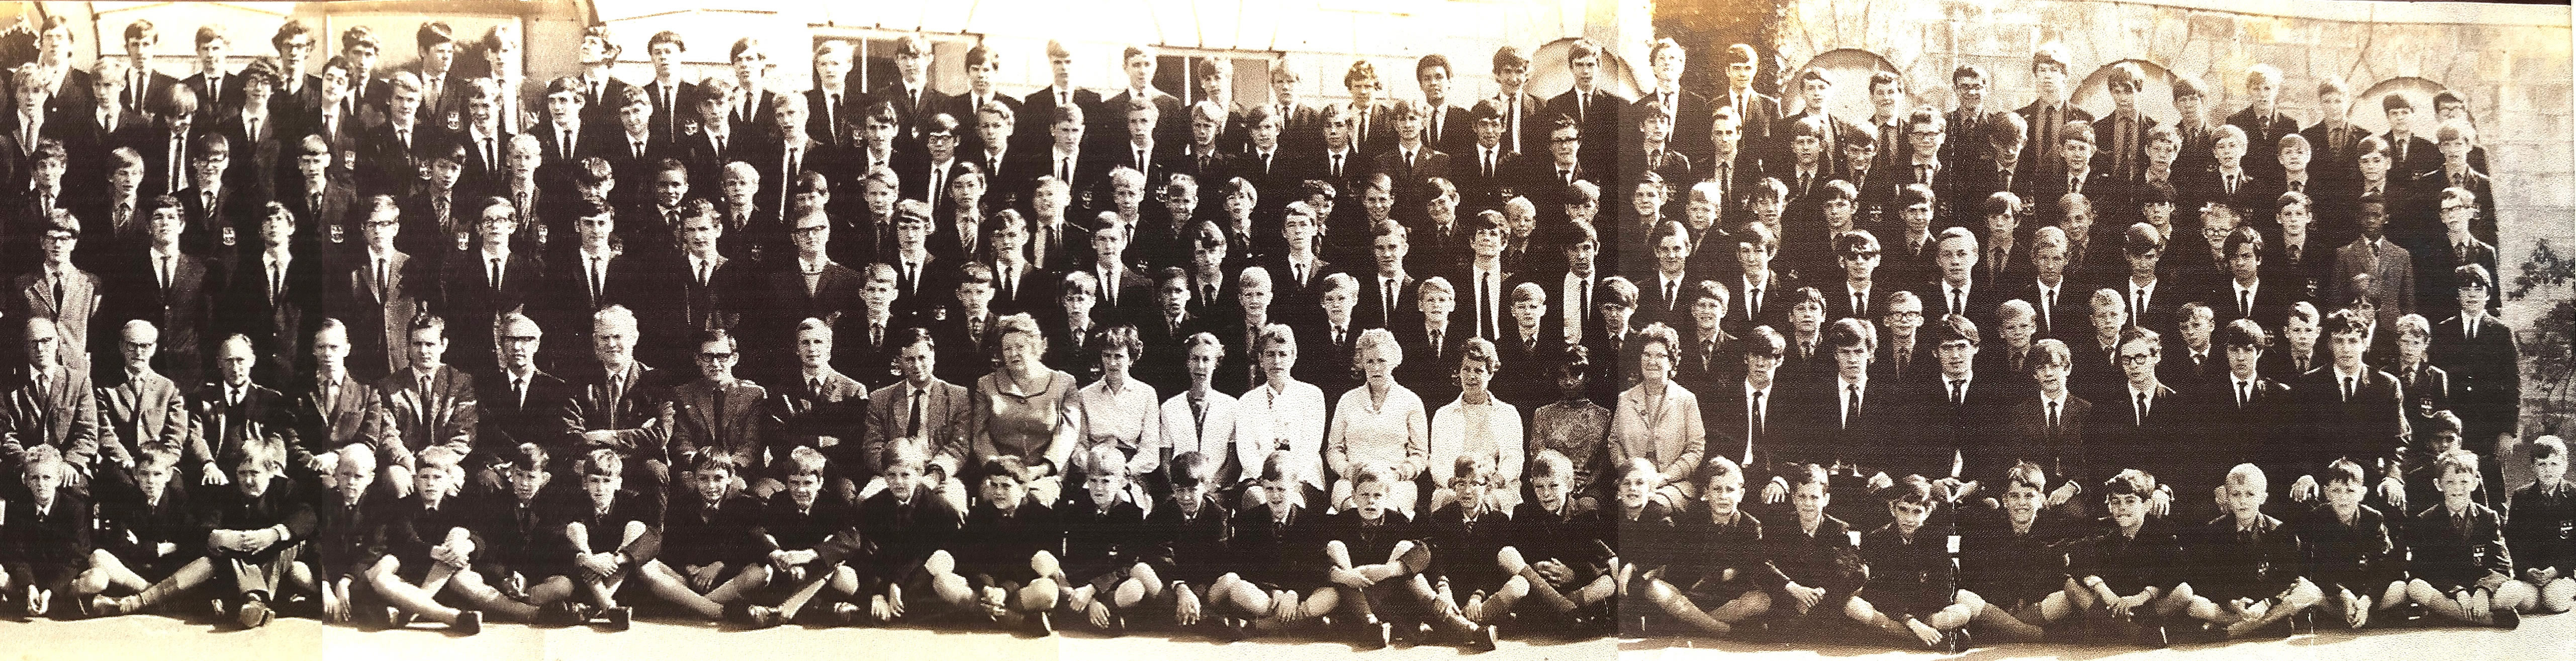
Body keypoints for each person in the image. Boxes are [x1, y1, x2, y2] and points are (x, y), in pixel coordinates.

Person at [1638, 455, 1773, 636]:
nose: (1723, 496)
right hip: (1690, 595)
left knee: (1761, 601)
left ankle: (1690, 624)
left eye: (1730, 490)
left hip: (1726, 599)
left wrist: (1722, 574)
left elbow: (1747, 567)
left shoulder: (1750, 526)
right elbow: (1681, 565)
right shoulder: (1692, 520)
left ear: (1740, 494)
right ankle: (1719, 629)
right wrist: (1718, 573)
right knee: (1653, 587)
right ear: (1706, 493)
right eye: (1717, 489)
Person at [1848, 475, 1981, 650]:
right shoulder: (1877, 540)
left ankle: (1915, 636)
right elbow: (1877, 591)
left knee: (1963, 612)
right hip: (1891, 612)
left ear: (1928, 512)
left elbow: (1946, 583)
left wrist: (1925, 616)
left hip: (1925, 612)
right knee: (1855, 607)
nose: (1909, 519)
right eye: (1903, 510)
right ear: (1892, 509)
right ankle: (1923, 638)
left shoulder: (1934, 540)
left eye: (1917, 512)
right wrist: (1912, 622)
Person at [1956, 461, 2080, 642]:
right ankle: (2027, 633)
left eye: (2029, 496)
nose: (2022, 503)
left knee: (2065, 599)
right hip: (1994, 606)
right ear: (2005, 501)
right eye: (2015, 496)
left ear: (2041, 499)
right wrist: (2006, 601)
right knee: (1962, 597)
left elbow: (2054, 576)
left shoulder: (2052, 529)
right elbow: (1976, 577)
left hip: (2029, 608)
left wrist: (2026, 599)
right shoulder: (1988, 529)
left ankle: (1998, 631)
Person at [2402, 449, 2525, 628]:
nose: (2457, 488)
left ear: (2475, 483)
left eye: (2464, 482)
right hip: (2447, 591)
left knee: (2516, 590)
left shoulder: (2488, 518)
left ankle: (2449, 615)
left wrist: (2483, 591)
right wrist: (2458, 592)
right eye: (2450, 482)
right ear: (2438, 484)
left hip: (2479, 590)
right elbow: (2424, 569)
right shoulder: (2426, 520)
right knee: (2415, 587)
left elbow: (2503, 565)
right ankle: (2487, 619)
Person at [967, 313, 1075, 505]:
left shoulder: (1064, 383)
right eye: (1007, 348)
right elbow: (980, 435)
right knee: (993, 497)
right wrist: (1001, 470)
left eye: (1020, 347)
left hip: (1044, 475)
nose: (1013, 353)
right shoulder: (986, 385)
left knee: (1035, 500)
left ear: (1034, 347)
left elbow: (1067, 434)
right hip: (999, 475)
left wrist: (1042, 469)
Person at [1326, 328, 1429, 516]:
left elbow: (1420, 454)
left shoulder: (1411, 401)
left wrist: (1399, 474)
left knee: (1388, 513)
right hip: (1352, 481)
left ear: (1394, 361)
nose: (1375, 368)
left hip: (1396, 482)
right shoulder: (1347, 400)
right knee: (1352, 511)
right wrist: (1348, 471)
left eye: (1381, 361)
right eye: (1370, 362)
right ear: (1362, 363)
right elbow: (1334, 449)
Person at [2504, 436, 2576, 614]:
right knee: (2525, 603)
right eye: (2542, 464)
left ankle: (2561, 593)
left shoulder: (2573, 497)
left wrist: (2557, 570)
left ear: (2565, 465)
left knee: (2554, 600)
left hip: (2562, 573)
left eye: (2554, 464)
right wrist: (2526, 570)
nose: (2548, 470)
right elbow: (2512, 541)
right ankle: (2537, 597)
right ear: (2533, 467)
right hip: (2530, 574)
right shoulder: (2521, 497)